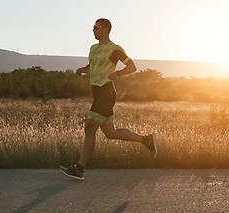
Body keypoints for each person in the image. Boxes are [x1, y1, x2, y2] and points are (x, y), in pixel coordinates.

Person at [60, 18, 157, 180]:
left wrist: (118, 73)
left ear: (105, 29)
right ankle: (146, 140)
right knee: (111, 133)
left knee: (90, 127)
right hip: (97, 93)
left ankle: (79, 169)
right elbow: (92, 66)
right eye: (93, 27)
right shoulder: (93, 48)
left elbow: (132, 66)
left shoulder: (114, 49)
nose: (93, 30)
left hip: (107, 92)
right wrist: (83, 70)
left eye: (96, 27)